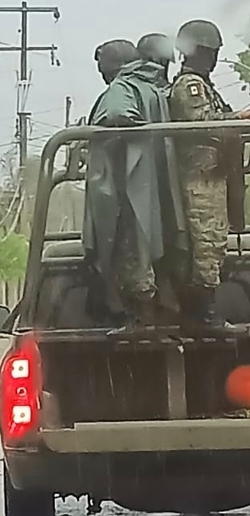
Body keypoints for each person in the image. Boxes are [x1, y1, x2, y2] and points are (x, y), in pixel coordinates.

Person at [83, 39, 188, 332]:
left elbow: (117, 114)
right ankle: (162, 308)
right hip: (152, 182)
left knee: (131, 250)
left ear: (113, 63)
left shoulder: (121, 88)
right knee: (151, 243)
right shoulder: (153, 85)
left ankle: (140, 318)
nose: (100, 70)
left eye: (100, 62)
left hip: (128, 186)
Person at [168, 19, 250, 331]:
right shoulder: (190, 86)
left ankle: (204, 310)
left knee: (215, 242)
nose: (213, 58)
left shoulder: (205, 86)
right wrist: (238, 117)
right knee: (205, 243)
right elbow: (202, 122)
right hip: (199, 178)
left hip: (212, 175)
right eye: (209, 52)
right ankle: (202, 314)